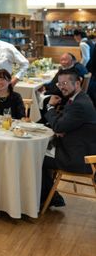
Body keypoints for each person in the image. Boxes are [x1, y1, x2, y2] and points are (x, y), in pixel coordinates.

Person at [40, 69, 96, 208]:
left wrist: (50, 107)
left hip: (79, 158)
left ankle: (48, 197)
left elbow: (59, 126)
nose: (61, 87)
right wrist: (60, 128)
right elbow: (61, 123)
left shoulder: (79, 104)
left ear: (77, 83)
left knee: (36, 157)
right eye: (59, 84)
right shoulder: (79, 98)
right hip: (75, 148)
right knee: (39, 152)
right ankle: (50, 196)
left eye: (65, 83)